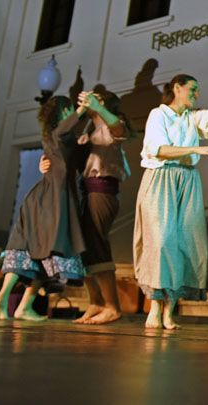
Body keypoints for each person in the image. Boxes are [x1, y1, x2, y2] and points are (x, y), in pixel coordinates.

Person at [136, 73, 208, 330]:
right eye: (192, 89)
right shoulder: (158, 114)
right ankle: (154, 305)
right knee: (161, 242)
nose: (196, 93)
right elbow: (159, 149)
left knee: (184, 243)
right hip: (161, 178)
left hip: (187, 182)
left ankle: (169, 310)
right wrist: (197, 149)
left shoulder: (190, 118)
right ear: (177, 88)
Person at [0, 96, 88, 321]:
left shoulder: (58, 139)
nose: (71, 115)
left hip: (43, 197)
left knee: (37, 254)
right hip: (50, 199)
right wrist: (83, 109)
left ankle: (20, 304)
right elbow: (63, 132)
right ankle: (9, 300)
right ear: (63, 112)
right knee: (47, 249)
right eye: (69, 111)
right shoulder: (57, 133)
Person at [72, 89, 134, 326]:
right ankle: (96, 301)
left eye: (95, 97)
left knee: (96, 243)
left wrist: (98, 108)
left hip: (102, 190)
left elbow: (119, 130)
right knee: (83, 248)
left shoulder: (111, 123)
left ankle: (112, 306)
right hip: (85, 191)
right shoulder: (88, 128)